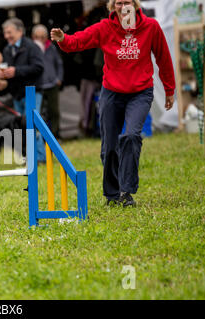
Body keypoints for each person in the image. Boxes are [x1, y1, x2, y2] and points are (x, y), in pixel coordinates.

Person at [51, 0, 175, 206]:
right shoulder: (105, 27)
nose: (123, 5)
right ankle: (112, 194)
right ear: (112, 6)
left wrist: (169, 90)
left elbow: (163, 58)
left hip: (140, 92)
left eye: (127, 1)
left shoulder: (151, 27)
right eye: (119, 2)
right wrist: (64, 39)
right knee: (109, 146)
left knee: (131, 136)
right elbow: (79, 41)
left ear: (135, 5)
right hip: (111, 93)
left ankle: (126, 191)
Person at [0, 17, 46, 162]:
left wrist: (16, 71)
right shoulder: (7, 49)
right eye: (5, 33)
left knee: (31, 124)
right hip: (17, 94)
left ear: (20, 31)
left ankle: (40, 157)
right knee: (22, 127)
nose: (6, 36)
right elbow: (10, 70)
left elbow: (39, 67)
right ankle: (29, 156)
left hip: (32, 93)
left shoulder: (32, 47)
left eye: (9, 32)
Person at [32, 24, 64, 139]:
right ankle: (42, 137)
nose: (40, 39)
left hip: (52, 84)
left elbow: (59, 63)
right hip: (38, 85)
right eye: (37, 37)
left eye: (43, 37)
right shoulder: (31, 48)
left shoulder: (52, 48)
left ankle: (55, 135)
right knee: (39, 113)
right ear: (33, 37)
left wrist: (59, 78)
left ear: (47, 37)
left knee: (54, 111)